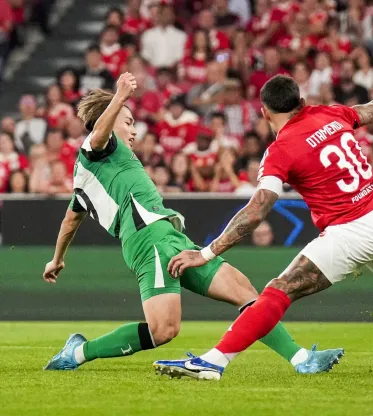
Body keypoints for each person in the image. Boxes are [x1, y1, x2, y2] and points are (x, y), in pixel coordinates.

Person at [153, 76, 373, 380]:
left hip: (351, 230)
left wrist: (206, 252)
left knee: (279, 289)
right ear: (300, 101)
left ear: (265, 112)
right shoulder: (330, 113)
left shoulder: (280, 151)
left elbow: (256, 211)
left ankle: (214, 362)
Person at [42, 73, 343, 375]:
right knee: (163, 330)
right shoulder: (97, 149)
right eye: (128, 122)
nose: (133, 130)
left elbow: (71, 219)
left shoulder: (90, 177)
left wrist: (57, 258)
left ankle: (301, 359)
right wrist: (119, 97)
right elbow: (97, 137)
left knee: (244, 291)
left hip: (172, 238)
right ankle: (79, 351)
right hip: (148, 241)